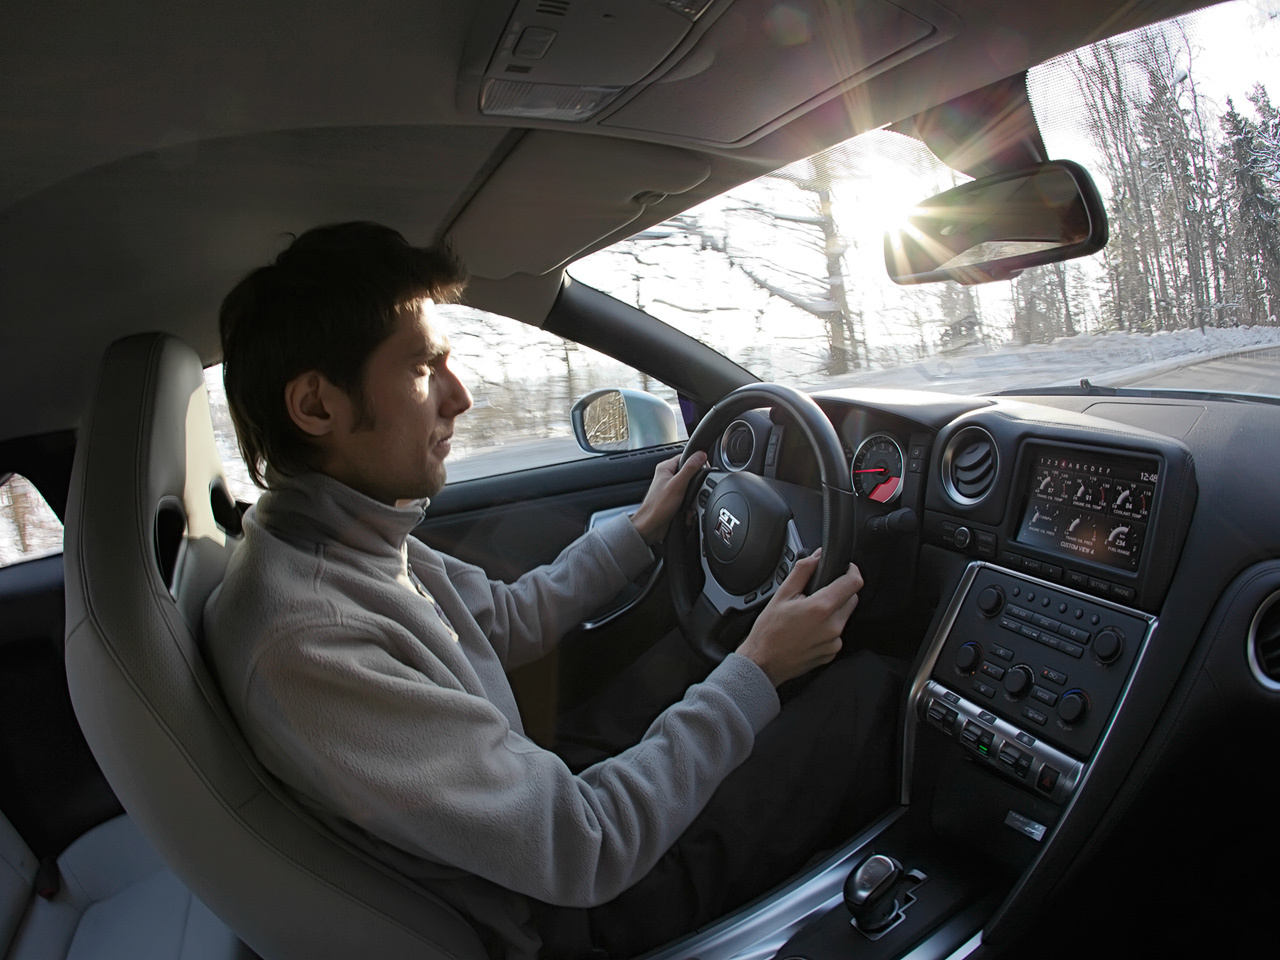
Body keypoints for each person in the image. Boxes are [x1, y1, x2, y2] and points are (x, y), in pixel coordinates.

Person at [204, 222, 896, 960]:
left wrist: (638, 531)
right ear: (317, 407)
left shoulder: (348, 536)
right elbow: (585, 846)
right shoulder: (310, 640)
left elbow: (501, 620)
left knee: (689, 666)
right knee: (866, 690)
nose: (460, 397)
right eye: (422, 368)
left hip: (531, 818)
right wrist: (757, 670)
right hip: (564, 919)